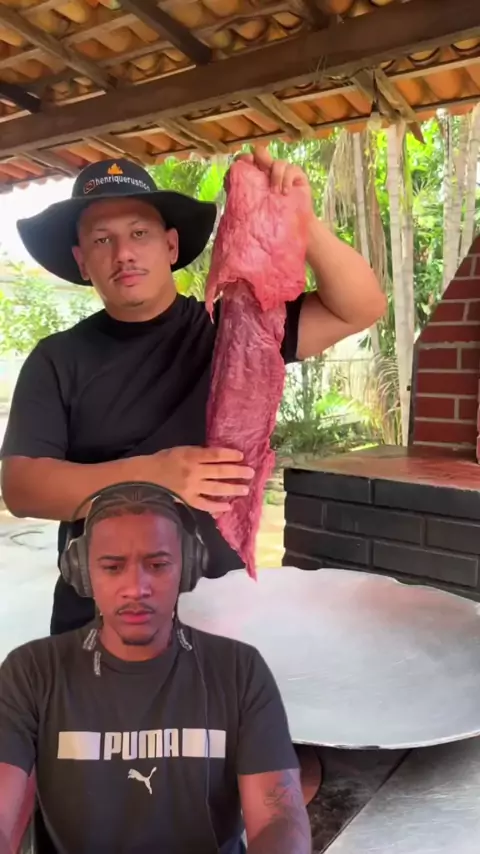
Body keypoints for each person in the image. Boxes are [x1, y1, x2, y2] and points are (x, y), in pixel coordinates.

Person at [0, 147, 386, 636]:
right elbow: (23, 488)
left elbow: (360, 307)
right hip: (96, 620)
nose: (123, 253)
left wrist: (301, 220)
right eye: (102, 240)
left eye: (139, 233)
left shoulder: (235, 328)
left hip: (219, 611)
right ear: (81, 261)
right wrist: (152, 476)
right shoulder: (57, 358)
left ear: (171, 245)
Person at [0, 482, 311, 854]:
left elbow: (280, 817)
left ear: (187, 567)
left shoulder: (239, 671)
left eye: (158, 565)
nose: (136, 588)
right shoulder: (31, 673)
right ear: (83, 573)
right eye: (113, 567)